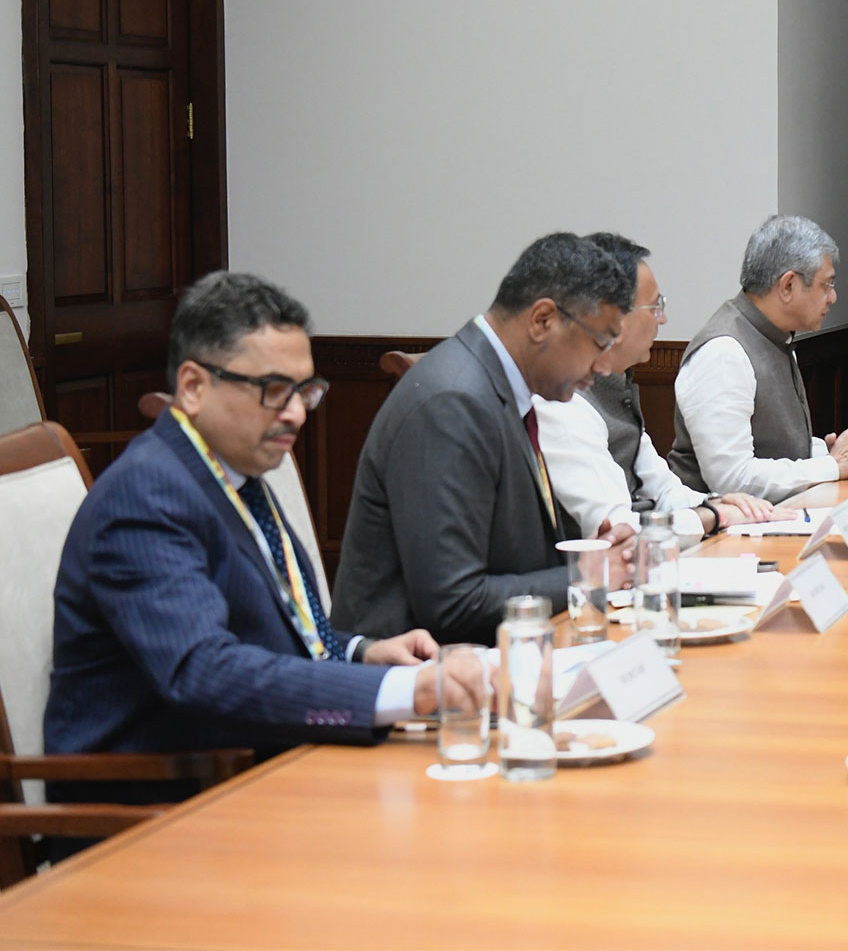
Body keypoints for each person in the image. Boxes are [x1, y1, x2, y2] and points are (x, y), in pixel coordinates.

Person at [45, 272, 488, 800]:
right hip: (164, 810)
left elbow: (272, 627)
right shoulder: (146, 497)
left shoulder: (231, 471)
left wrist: (360, 654)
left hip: (265, 767)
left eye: (305, 391)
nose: (296, 413)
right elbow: (202, 671)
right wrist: (407, 690)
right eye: (273, 391)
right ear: (193, 387)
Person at [332, 233, 635, 645]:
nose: (603, 366)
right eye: (600, 343)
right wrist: (587, 574)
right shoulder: (454, 402)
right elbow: (452, 603)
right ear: (542, 320)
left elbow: (507, 553)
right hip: (419, 667)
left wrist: (591, 555)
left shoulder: (498, 387)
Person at [535, 232, 781, 544]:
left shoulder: (616, 384)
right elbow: (619, 531)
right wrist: (712, 516)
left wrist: (720, 504)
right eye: (654, 307)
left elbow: (664, 489)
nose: (662, 320)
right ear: (613, 317)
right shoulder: (562, 403)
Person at [669, 215, 848, 502]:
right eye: (826, 284)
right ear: (788, 285)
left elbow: (771, 445)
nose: (832, 297)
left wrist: (832, 453)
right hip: (720, 526)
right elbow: (732, 479)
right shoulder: (724, 352)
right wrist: (832, 465)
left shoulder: (774, 336)